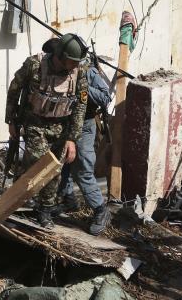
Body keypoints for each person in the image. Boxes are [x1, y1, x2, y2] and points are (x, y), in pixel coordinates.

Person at [5, 33, 88, 228]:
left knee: (54, 169)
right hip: (35, 122)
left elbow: (81, 105)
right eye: (72, 61)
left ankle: (45, 210)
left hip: (61, 126)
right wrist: (11, 119)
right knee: (39, 159)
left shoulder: (79, 71)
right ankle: (21, 194)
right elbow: (14, 89)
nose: (75, 65)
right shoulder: (34, 65)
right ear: (60, 56)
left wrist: (72, 139)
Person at [52, 46, 113, 235]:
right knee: (63, 164)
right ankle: (68, 199)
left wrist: (83, 91)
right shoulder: (59, 67)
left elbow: (105, 97)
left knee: (83, 169)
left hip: (85, 124)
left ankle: (100, 210)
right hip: (64, 121)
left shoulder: (88, 71)